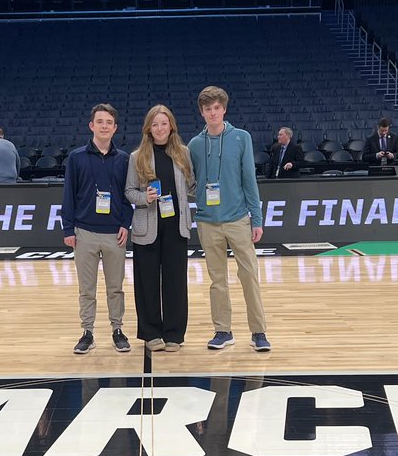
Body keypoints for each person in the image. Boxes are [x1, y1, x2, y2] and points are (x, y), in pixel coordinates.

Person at [187, 85, 270, 352]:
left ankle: (258, 332)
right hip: (207, 221)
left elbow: (249, 180)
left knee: (249, 276)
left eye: (217, 108)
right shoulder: (195, 145)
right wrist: (199, 197)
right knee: (217, 279)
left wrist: (256, 219)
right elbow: (191, 182)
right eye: (208, 109)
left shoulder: (241, 137)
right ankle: (223, 330)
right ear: (202, 112)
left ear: (224, 109)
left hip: (237, 219)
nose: (213, 113)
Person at [62, 104, 132, 355]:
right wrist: (68, 228)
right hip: (84, 232)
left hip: (115, 233)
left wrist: (126, 223)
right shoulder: (76, 157)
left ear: (115, 128)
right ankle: (87, 332)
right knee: (87, 288)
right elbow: (68, 194)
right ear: (91, 126)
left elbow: (128, 196)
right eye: (99, 121)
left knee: (116, 287)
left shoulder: (124, 159)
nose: (104, 126)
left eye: (108, 122)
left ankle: (117, 330)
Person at [126, 104, 195, 353]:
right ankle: (151, 333)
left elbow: (193, 186)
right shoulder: (137, 157)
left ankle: (174, 334)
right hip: (148, 227)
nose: (159, 128)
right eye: (155, 124)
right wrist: (145, 197)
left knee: (176, 282)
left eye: (164, 123)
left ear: (171, 126)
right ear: (148, 128)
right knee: (147, 282)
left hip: (177, 227)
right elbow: (129, 192)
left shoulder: (183, 153)